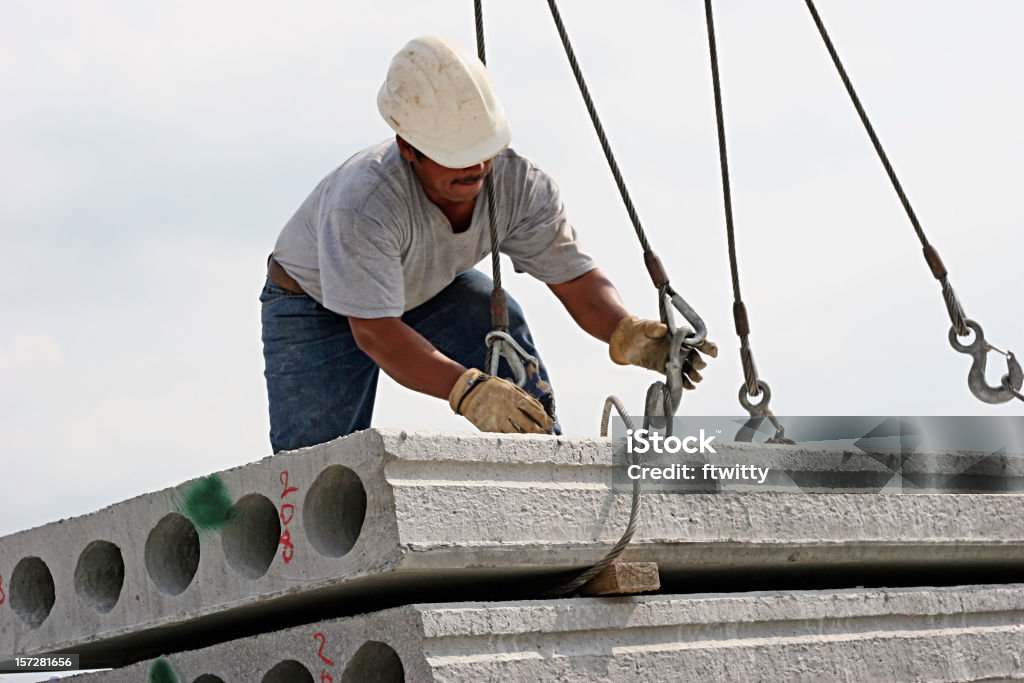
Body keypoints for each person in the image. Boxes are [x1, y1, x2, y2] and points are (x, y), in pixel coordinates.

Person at [261, 35, 714, 454]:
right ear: (408, 147)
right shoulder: (365, 204)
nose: (475, 167)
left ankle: (543, 470)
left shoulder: (519, 185)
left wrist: (624, 331)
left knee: (497, 321)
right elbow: (376, 332)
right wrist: (467, 390)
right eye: (456, 156)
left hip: (428, 287)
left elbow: (573, 277)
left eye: (483, 149)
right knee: (313, 472)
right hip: (314, 305)